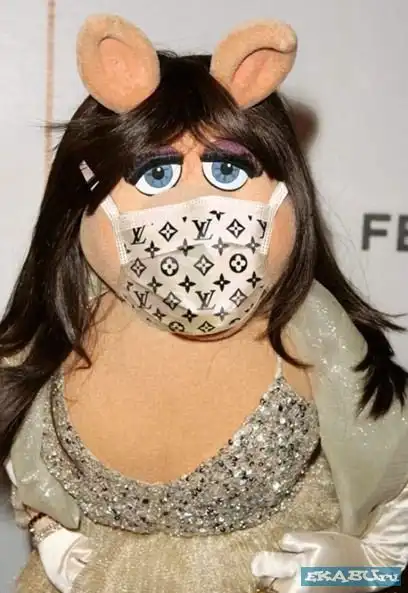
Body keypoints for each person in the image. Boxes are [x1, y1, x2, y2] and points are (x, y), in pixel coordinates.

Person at [1, 13, 407, 593]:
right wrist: (50, 530)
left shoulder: (320, 337)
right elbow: (25, 441)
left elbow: (391, 482)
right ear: (82, 196)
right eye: (156, 174)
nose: (197, 211)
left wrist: (353, 568)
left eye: (227, 169)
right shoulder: (56, 330)